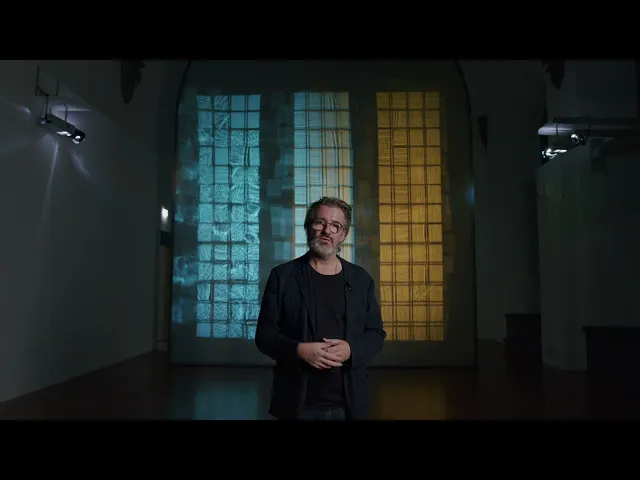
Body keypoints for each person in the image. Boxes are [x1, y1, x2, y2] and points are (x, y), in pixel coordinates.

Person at [255, 196, 386, 420]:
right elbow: (264, 336)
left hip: (349, 403)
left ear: (343, 235)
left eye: (336, 226)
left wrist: (351, 350)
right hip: (297, 401)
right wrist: (299, 351)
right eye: (320, 222)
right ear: (308, 227)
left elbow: (375, 333)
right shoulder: (282, 277)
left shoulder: (361, 279)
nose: (327, 231)